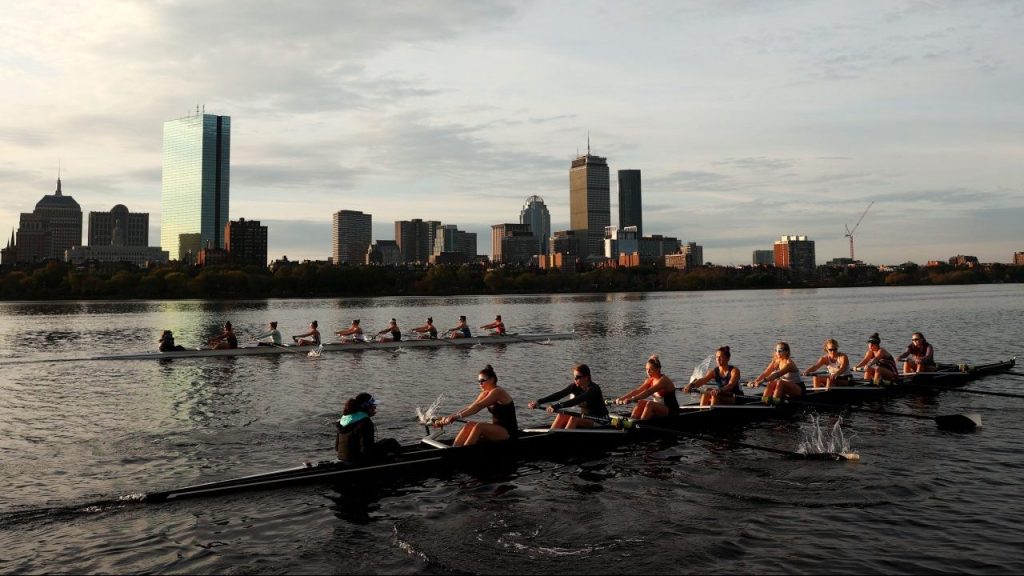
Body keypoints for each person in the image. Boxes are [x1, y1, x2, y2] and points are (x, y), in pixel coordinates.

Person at [437, 364, 518, 446]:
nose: (480, 384)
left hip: (508, 432)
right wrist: (450, 417)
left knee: (480, 426)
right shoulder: (485, 393)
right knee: (469, 424)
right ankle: (454, 449)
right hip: (496, 429)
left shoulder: (498, 392)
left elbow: (478, 407)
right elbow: (471, 407)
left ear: (492, 380)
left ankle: (461, 454)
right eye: (479, 381)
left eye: (482, 381)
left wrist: (457, 416)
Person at [528, 364, 608, 429]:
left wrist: (558, 406)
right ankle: (550, 436)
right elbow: (559, 395)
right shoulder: (575, 386)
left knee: (573, 419)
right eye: (574, 377)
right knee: (561, 415)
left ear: (586, 377)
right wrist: (538, 402)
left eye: (578, 377)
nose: (575, 379)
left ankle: (563, 440)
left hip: (601, 420)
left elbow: (577, 400)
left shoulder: (594, 389)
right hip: (586, 418)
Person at [334, 393, 401, 464]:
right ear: (366, 407)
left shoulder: (343, 420)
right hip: (359, 461)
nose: (375, 408)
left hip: (342, 458)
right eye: (373, 406)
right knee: (391, 442)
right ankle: (400, 459)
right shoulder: (365, 422)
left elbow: (336, 447)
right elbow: (366, 451)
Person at [614, 354, 680, 420]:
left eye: (650, 369)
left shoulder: (663, 380)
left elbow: (648, 392)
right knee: (641, 402)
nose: (648, 372)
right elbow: (637, 391)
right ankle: (633, 421)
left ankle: (640, 424)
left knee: (650, 404)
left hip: (672, 411)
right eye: (646, 369)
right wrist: (621, 398)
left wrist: (632, 399)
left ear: (658, 369)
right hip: (658, 408)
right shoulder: (650, 380)